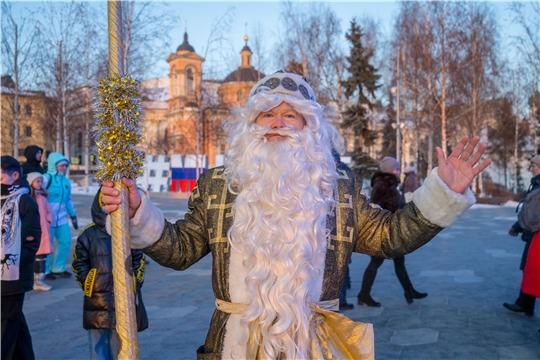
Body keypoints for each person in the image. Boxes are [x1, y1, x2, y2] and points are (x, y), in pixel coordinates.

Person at [101, 72, 490, 359]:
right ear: (251, 125)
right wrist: (138, 214)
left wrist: (443, 191)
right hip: (233, 345)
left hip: (314, 346)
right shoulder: (220, 184)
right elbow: (181, 250)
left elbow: (392, 238)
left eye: (291, 115)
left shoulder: (337, 188)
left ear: (308, 126)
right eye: (267, 115)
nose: (279, 124)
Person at [72, 189, 146, 360]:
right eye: (106, 204)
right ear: (99, 205)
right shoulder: (88, 234)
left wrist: (134, 282)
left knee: (119, 345)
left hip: (123, 300)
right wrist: (90, 282)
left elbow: (138, 259)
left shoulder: (127, 231)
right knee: (98, 346)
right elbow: (79, 263)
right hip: (96, 299)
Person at [357, 157, 427, 307]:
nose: (398, 171)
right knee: (376, 262)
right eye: (396, 169)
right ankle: (364, 294)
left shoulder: (391, 184)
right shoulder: (382, 185)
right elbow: (374, 208)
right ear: (389, 171)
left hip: (394, 231)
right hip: (384, 233)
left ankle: (409, 291)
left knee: (399, 262)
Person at [1, 156, 41, 360]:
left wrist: (15, 264)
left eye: (0, 178)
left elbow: (32, 241)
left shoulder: (25, 201)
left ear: (15, 175)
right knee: (15, 323)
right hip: (3, 275)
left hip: (12, 276)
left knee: (6, 325)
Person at [504, 154, 540, 317]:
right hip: (532, 230)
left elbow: (535, 213)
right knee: (529, 267)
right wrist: (518, 226)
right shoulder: (536, 183)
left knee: (530, 267)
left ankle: (524, 303)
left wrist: (526, 226)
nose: (530, 168)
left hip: (536, 232)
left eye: (534, 166)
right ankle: (525, 303)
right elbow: (530, 209)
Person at [43, 152, 78, 280]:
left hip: (62, 218)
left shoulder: (66, 181)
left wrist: (73, 216)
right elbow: (35, 193)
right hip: (48, 218)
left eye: (65, 165)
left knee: (65, 241)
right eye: (61, 165)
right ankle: (44, 270)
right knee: (47, 244)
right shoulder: (46, 178)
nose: (64, 168)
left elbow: (68, 200)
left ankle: (58, 267)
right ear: (53, 165)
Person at [26, 172, 53, 291]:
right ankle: (33, 281)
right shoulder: (28, 198)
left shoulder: (42, 197)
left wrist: (48, 221)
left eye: (41, 181)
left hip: (44, 232)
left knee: (42, 257)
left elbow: (48, 211)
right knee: (34, 257)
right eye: (37, 181)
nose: (40, 183)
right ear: (31, 183)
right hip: (33, 232)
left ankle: (39, 281)